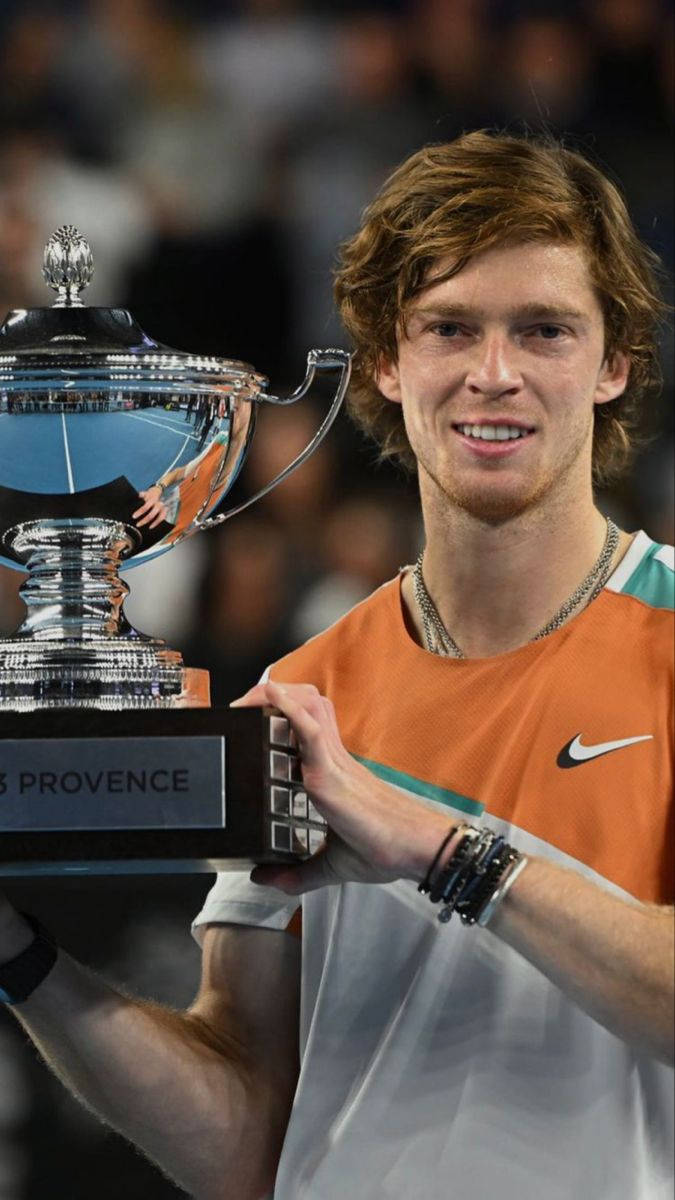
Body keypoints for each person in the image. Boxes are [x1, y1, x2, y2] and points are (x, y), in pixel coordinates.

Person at [0, 130, 672, 1200]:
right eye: (450, 328)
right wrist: (19, 959)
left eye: (543, 330)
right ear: (388, 363)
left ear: (614, 363)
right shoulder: (306, 691)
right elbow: (244, 1138)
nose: (492, 374)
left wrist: (442, 853)